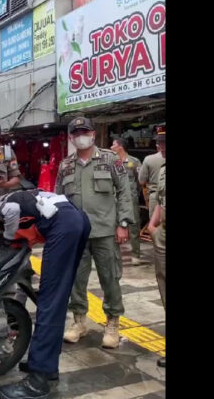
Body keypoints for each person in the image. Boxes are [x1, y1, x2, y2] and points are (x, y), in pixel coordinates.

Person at [0, 189, 91, 399]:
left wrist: (7, 239)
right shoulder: (0, 226)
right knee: (55, 300)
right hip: (74, 218)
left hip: (64, 223)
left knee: (50, 301)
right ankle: (47, 367)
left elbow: (12, 210)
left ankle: (38, 380)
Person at [56, 117, 135, 349]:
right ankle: (79, 321)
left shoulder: (110, 160)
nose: (81, 136)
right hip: (76, 234)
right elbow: (59, 200)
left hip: (105, 231)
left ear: (92, 134)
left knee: (110, 278)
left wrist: (123, 223)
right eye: (76, 133)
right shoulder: (65, 165)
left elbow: (125, 191)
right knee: (76, 280)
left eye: (85, 132)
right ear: (71, 138)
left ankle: (112, 323)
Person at [147, 135, 166, 368]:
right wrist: (152, 226)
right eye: (160, 143)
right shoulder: (162, 170)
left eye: (164, 143)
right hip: (162, 234)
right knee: (163, 286)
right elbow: (161, 200)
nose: (160, 147)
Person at [111, 137, 144, 265]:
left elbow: (140, 180)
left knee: (134, 226)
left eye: (113, 145)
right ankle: (115, 255)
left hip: (131, 199)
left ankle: (135, 254)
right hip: (114, 199)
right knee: (114, 226)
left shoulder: (134, 162)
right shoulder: (112, 162)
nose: (111, 147)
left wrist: (134, 193)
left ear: (120, 146)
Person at [138, 126, 166, 219]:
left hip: (155, 196)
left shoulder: (149, 159)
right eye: (161, 142)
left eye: (163, 142)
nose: (162, 146)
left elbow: (141, 181)